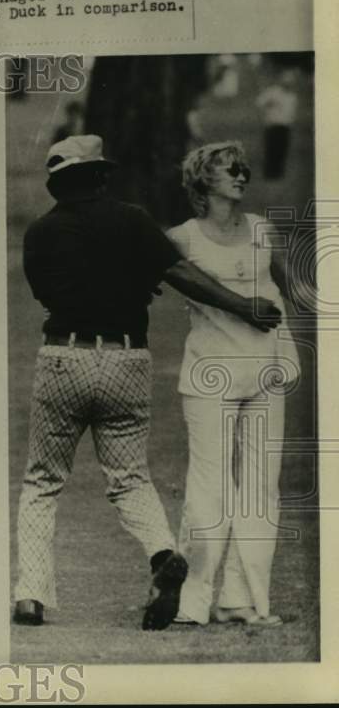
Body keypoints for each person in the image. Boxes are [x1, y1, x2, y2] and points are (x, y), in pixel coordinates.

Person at [12, 134, 282, 630]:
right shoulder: (133, 220)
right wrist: (242, 305)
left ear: (56, 185)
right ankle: (162, 554)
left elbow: (47, 295)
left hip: (64, 355)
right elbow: (178, 272)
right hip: (127, 359)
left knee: (42, 482)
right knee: (130, 477)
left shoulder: (39, 232)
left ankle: (30, 595)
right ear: (101, 177)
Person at [169, 141, 300, 627]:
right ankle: (192, 601)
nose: (242, 176)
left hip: (265, 370)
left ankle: (241, 599)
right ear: (203, 181)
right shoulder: (182, 238)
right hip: (210, 374)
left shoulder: (263, 230)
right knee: (210, 486)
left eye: (244, 169)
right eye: (230, 170)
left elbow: (297, 289)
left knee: (262, 487)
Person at [254, 70, 298, 180]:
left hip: (285, 126)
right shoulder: (273, 92)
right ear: (281, 81)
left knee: (282, 149)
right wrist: (268, 107)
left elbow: (291, 113)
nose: (288, 83)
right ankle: (269, 173)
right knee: (271, 149)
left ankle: (279, 173)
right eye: (286, 81)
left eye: (290, 82)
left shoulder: (292, 96)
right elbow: (259, 102)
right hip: (272, 125)